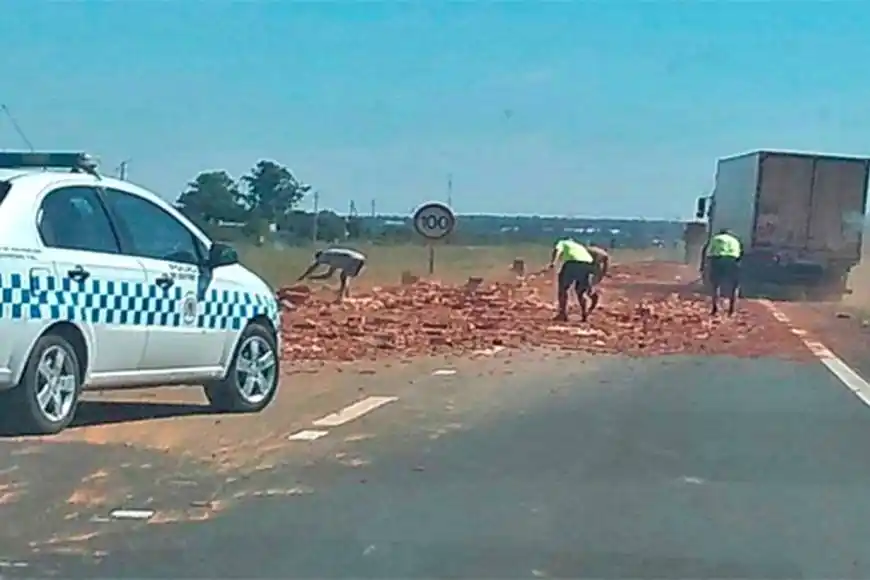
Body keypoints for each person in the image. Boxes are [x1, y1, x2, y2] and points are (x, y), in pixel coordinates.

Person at [547, 238, 597, 322]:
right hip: (588, 264)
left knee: (563, 288)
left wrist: (553, 262)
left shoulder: (562, 242)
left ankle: (562, 314)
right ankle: (584, 315)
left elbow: (557, 250)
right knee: (580, 291)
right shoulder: (579, 245)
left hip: (573, 263)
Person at [297, 247, 367, 301]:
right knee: (344, 276)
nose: (320, 263)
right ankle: (346, 294)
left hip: (355, 260)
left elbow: (314, 266)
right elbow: (327, 275)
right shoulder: (333, 259)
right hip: (360, 259)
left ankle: (341, 296)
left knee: (343, 276)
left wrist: (304, 276)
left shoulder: (324, 256)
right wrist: (312, 277)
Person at [703, 228, 743, 316]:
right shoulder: (735, 240)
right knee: (734, 287)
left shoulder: (715, 238)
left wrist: (705, 266)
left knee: (716, 286)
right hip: (732, 261)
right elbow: (739, 254)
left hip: (718, 260)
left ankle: (715, 309)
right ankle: (732, 310)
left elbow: (709, 253)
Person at [586, 244, 610, 312]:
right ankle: (593, 303)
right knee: (589, 287)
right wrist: (602, 275)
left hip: (588, 266)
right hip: (595, 267)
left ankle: (592, 303)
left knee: (586, 288)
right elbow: (605, 266)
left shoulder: (587, 249)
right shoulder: (603, 253)